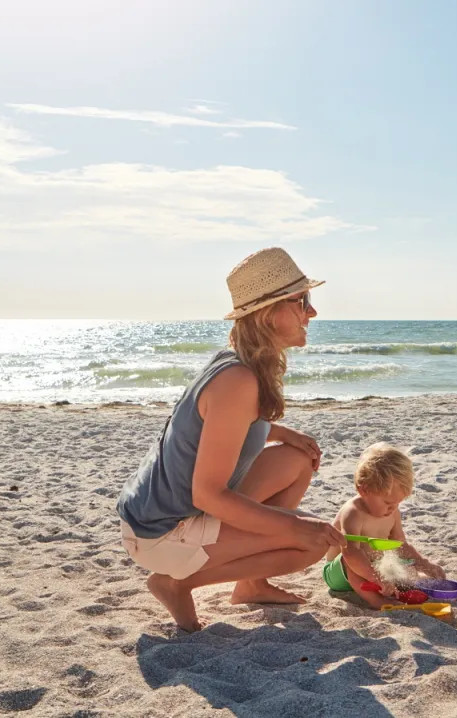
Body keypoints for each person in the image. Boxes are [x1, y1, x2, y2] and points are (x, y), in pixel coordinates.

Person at [117, 247, 345, 632]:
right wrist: (291, 527)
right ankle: (177, 583)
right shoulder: (238, 381)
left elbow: (219, 429)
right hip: (161, 532)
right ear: (270, 312)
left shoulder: (239, 363)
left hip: (169, 510)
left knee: (296, 459)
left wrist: (281, 432)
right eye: (302, 301)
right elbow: (208, 495)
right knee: (311, 543)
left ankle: (251, 583)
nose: (312, 312)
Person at [322, 443, 444, 609]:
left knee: (404, 566)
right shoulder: (353, 512)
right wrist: (375, 577)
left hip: (373, 569)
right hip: (340, 575)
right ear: (363, 489)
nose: (393, 508)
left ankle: (403, 586)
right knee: (349, 557)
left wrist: (424, 563)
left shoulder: (393, 512)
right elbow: (351, 551)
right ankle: (376, 600)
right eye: (387, 502)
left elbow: (400, 545)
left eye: (398, 503)